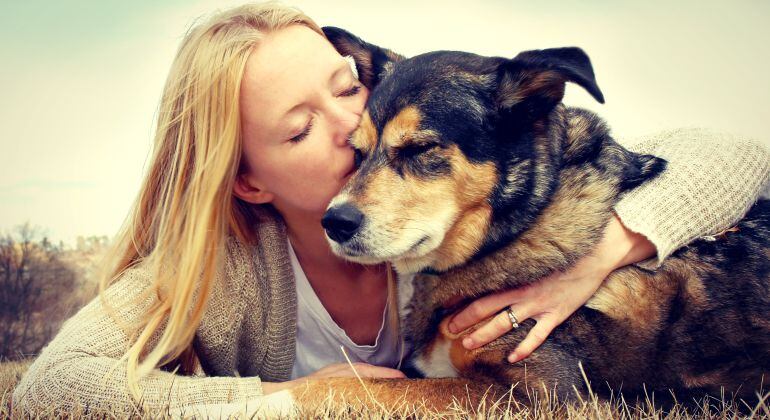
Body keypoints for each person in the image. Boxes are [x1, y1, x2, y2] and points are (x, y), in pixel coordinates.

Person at [12, 2, 770, 415]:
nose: (352, 128)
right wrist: (296, 397)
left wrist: (608, 252)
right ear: (250, 181)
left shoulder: (462, 219)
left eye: (346, 89)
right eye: (299, 128)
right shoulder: (227, 268)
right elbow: (53, 388)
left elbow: (730, 156)